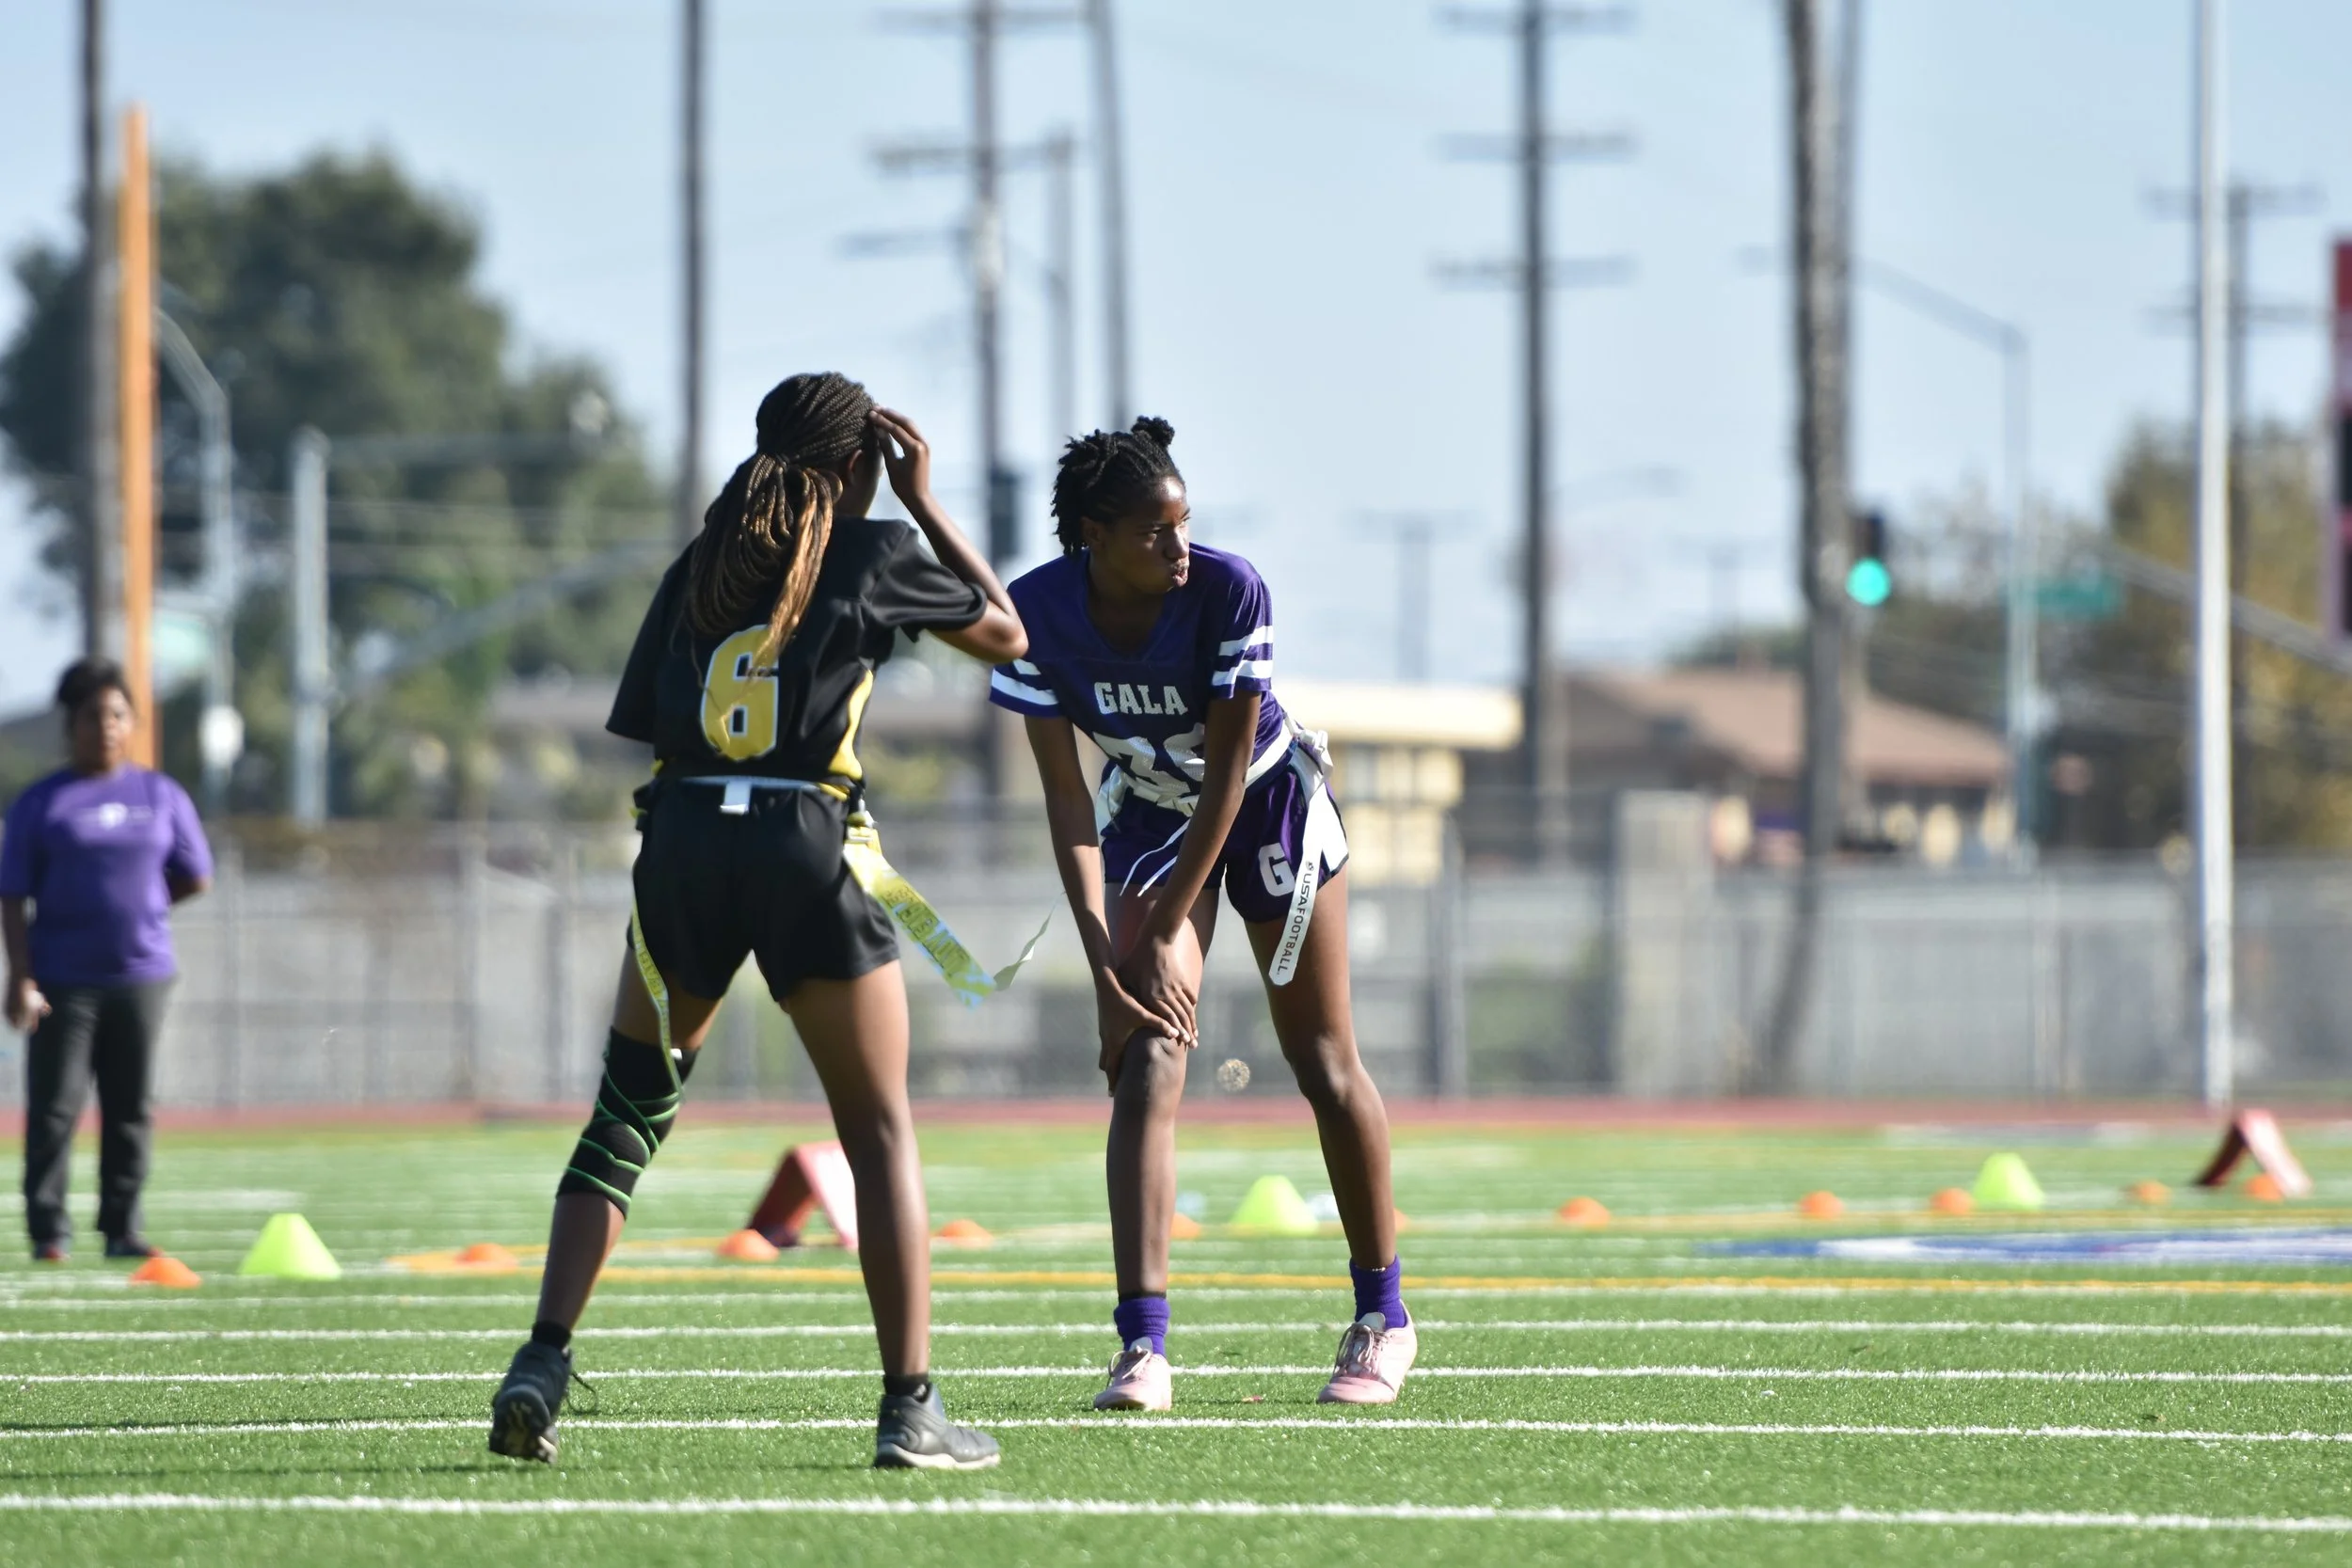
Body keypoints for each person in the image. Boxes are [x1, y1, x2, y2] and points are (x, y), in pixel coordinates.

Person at [485, 373, 1024, 1471]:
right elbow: (1008, 635)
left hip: (684, 840)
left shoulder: (700, 563)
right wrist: (923, 501)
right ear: (860, 462)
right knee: (877, 1131)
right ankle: (909, 1406)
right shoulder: (871, 552)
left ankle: (541, 1357)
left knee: (625, 1113)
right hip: (801, 842)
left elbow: (654, 725)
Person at [991, 417, 1415, 1412]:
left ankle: (1384, 1315)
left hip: (1263, 801)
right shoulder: (1036, 610)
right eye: (1155, 531)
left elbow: (1227, 775)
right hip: (1147, 810)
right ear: (1093, 534)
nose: (1180, 547)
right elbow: (1065, 799)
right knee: (1147, 1055)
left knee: (1323, 1059)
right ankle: (1142, 1345)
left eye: (1184, 524)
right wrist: (1106, 965)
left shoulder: (1229, 588)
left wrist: (1166, 928)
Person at [2, 657, 213, 1263]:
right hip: (62, 980)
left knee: (130, 1108)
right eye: (93, 716)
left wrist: (142, 906)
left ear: (133, 723)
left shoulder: (159, 794)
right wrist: (20, 976)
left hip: (141, 976)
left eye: (118, 715)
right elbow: (11, 894)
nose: (107, 727)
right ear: (71, 725)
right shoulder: (42, 802)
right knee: (56, 1107)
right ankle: (49, 1230)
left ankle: (122, 1227)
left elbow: (195, 874)